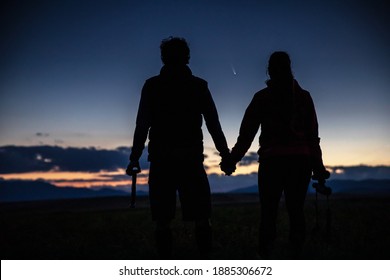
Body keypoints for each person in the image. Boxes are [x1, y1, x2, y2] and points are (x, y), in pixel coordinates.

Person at [126, 37, 231, 259]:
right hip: (190, 160)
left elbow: (142, 124)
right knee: (201, 216)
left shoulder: (153, 86)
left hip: (162, 160)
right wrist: (225, 154)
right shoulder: (198, 86)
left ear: (163, 57)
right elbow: (213, 123)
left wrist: (135, 157)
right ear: (187, 57)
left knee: (162, 220)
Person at [221, 51, 330, 258]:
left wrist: (231, 160)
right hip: (301, 162)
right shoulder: (304, 97)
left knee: (268, 212)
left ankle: (266, 257)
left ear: (269, 70)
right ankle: (296, 256)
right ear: (290, 68)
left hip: (273, 162)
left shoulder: (262, 98)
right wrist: (318, 168)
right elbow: (312, 137)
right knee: (296, 210)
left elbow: (246, 136)